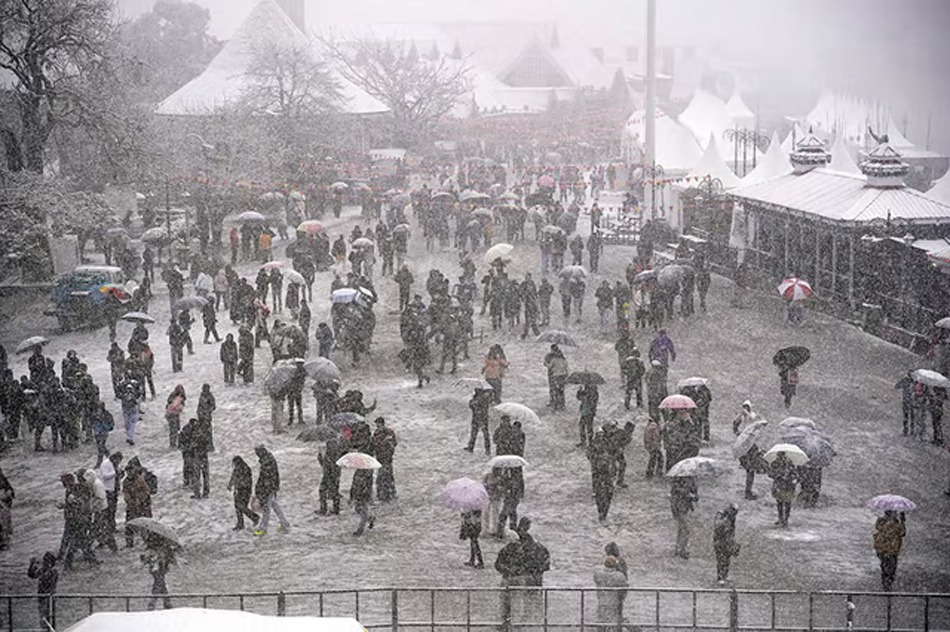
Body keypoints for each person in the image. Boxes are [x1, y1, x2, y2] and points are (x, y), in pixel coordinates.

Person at [253, 445, 290, 536]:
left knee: (266, 509)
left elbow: (265, 478)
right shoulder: (269, 459)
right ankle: (284, 523)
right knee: (275, 505)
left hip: (268, 488)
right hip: (272, 487)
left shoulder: (266, 463)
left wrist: (261, 491)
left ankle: (263, 528)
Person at [873, 510, 907, 591]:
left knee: (889, 567)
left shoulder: (894, 522)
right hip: (885, 549)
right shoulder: (883, 522)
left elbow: (902, 533)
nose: (896, 514)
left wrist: (902, 521)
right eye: (894, 513)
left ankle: (887, 582)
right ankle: (887, 583)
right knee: (887, 566)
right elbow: (900, 532)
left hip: (891, 549)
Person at [593, 555, 628, 631]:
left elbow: (595, 578)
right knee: (613, 623)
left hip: (602, 601)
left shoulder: (598, 575)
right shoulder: (619, 576)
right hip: (614, 602)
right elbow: (624, 589)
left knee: (602, 620)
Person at [142, 534, 175, 611]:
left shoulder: (153, 546)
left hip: (158, 568)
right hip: (158, 568)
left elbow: (147, 558)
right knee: (160, 583)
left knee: (159, 583)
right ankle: (165, 602)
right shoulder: (164, 546)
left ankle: (158, 603)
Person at [28, 552, 59, 629]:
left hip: (49, 598)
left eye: (46, 561)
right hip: (42, 597)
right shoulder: (43, 570)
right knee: (43, 618)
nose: (44, 562)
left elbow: (48, 579)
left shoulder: (53, 571)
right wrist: (32, 565)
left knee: (49, 617)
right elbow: (32, 575)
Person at [227, 456, 259, 531]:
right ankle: (240, 524)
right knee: (238, 507)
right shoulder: (237, 469)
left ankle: (254, 517)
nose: (234, 465)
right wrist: (230, 484)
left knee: (242, 506)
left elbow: (246, 482)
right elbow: (233, 477)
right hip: (238, 490)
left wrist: (237, 484)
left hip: (245, 491)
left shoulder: (246, 469)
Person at [670, 476, 698, 559]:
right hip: (679, 508)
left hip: (686, 508)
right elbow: (673, 495)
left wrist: (693, 496)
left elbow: (696, 496)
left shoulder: (692, 481)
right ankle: (682, 549)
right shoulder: (678, 480)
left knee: (681, 529)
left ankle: (677, 548)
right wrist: (686, 494)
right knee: (686, 530)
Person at [768, 451, 798, 527]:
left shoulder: (790, 463)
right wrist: (778, 475)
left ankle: (785, 519)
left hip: (787, 486)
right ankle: (781, 518)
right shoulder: (775, 463)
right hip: (780, 485)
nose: (780, 457)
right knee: (780, 503)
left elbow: (795, 474)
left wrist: (789, 477)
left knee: (786, 503)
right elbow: (770, 474)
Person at [713, 503, 740, 584]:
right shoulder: (721, 516)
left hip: (727, 540)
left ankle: (725, 575)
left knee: (727, 559)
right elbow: (718, 527)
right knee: (721, 559)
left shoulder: (731, 518)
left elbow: (731, 530)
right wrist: (726, 521)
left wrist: (732, 542)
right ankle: (720, 577)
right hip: (720, 541)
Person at [372, 417, 398, 502]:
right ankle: (387, 493)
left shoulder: (384, 432)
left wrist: (385, 443)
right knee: (386, 476)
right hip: (383, 457)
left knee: (384, 476)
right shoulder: (379, 432)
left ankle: (385, 494)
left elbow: (393, 443)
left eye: (378, 424)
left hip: (384, 457)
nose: (377, 425)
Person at [318, 436, 344, 515]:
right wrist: (320, 456)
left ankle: (325, 509)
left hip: (329, 477)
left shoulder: (331, 455)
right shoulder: (335, 454)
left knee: (326, 492)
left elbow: (326, 466)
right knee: (333, 493)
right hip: (331, 476)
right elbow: (323, 464)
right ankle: (334, 509)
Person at [466, 387, 494, 454]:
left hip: (476, 418)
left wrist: (472, 401)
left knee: (474, 434)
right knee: (485, 434)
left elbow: (471, 406)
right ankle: (487, 449)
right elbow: (491, 400)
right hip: (484, 418)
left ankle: (471, 447)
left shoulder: (476, 400)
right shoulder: (486, 398)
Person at [350, 467, 376, 537]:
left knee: (363, 512)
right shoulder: (357, 473)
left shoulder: (368, 474)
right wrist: (352, 496)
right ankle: (371, 518)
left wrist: (366, 493)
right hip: (358, 494)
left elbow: (368, 486)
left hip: (363, 495)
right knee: (358, 509)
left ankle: (360, 530)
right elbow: (353, 484)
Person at [543, 344, 569, 411]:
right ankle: (561, 404)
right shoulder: (564, 360)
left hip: (555, 376)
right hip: (562, 377)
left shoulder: (554, 360)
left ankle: (555, 404)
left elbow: (549, 366)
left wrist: (545, 363)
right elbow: (566, 369)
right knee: (561, 391)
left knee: (555, 390)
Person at [576, 383, 599, 448]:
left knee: (588, 427)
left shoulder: (594, 393)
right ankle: (585, 441)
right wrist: (579, 391)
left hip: (589, 412)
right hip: (584, 411)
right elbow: (579, 398)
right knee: (582, 426)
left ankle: (589, 442)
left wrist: (586, 397)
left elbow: (592, 401)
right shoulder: (586, 392)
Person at [165, 385, 185, 449]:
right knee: (174, 429)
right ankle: (174, 444)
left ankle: (173, 443)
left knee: (174, 429)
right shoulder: (178, 398)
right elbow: (175, 406)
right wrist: (180, 408)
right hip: (173, 414)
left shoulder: (172, 397)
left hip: (171, 414)